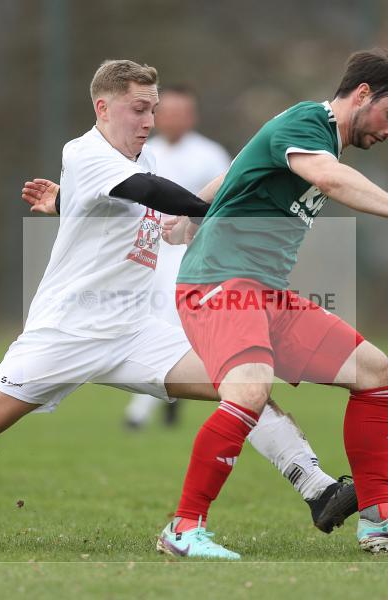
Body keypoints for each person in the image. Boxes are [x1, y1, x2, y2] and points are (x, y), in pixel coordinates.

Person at [0, 60, 363, 551]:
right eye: (138, 109)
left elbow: (131, 211)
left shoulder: (133, 159)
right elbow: (148, 193)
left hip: (137, 331)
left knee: (241, 384)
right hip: (66, 332)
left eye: (153, 109)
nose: (149, 120)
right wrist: (212, 210)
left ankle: (318, 490)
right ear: (103, 107)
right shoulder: (85, 150)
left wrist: (69, 206)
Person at [156, 48, 388, 558]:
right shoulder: (307, 123)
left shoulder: (310, 136)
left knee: (375, 373)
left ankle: (378, 518)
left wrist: (192, 212)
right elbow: (330, 180)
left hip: (265, 293)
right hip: (219, 284)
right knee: (249, 391)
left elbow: (238, 169)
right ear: (362, 94)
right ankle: (183, 528)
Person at [124, 85, 232, 429]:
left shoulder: (210, 155)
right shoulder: (143, 152)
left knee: (170, 318)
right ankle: (168, 396)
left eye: (181, 112)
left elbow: (225, 202)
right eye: (167, 112)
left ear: (192, 116)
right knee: (144, 319)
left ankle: (138, 413)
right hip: (145, 250)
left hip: (186, 252)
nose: (173, 119)